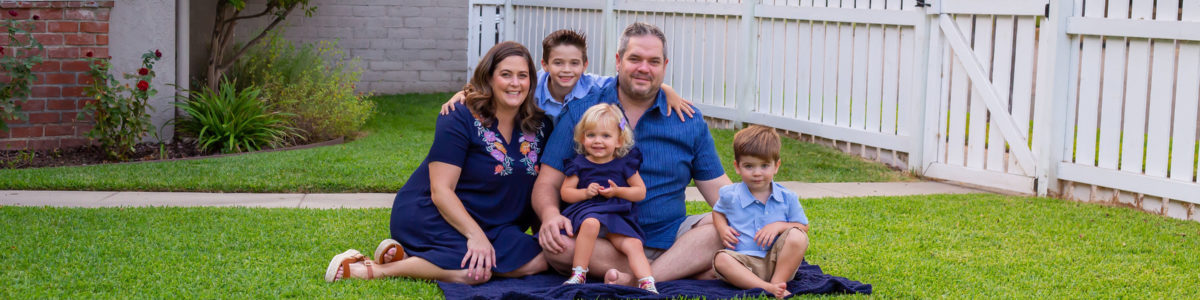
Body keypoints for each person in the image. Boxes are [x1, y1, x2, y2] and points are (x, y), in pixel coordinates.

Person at [324, 41, 550, 284]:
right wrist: (476, 237)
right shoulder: (458, 116)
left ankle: (417, 258)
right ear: (489, 78)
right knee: (473, 274)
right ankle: (375, 270)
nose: (515, 83)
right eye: (506, 75)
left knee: (541, 260)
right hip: (432, 214)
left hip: (497, 225)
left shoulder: (540, 126)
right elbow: (441, 190)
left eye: (522, 76)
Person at [532, 22, 733, 286]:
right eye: (635, 59)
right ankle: (673, 271)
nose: (643, 68)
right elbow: (547, 182)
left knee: (721, 228)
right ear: (618, 61)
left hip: (670, 237)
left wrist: (764, 214)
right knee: (559, 244)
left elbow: (719, 190)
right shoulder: (583, 110)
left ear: (665, 65)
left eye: (654, 61)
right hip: (601, 239)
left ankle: (639, 278)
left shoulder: (688, 120)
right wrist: (549, 216)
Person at [441, 29, 696, 122]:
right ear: (544, 64)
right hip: (534, 142)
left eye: (574, 63)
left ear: (585, 65)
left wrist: (667, 90)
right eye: (558, 63)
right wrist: (463, 94)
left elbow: (631, 80)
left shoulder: (592, 85)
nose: (566, 70)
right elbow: (501, 85)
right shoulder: (534, 83)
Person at [558, 103, 656, 293]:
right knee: (591, 223)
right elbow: (566, 193)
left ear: (619, 141)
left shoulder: (624, 163)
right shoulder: (579, 164)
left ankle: (647, 282)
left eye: (606, 136)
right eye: (591, 135)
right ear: (581, 138)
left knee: (633, 244)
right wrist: (585, 193)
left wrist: (618, 191)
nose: (598, 141)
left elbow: (640, 192)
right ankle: (578, 273)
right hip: (588, 212)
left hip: (616, 216)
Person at [712, 125, 810, 299]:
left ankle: (777, 282)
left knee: (797, 236)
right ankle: (767, 287)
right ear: (737, 167)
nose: (757, 173)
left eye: (764, 166)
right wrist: (722, 229)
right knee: (721, 259)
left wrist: (778, 226)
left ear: (776, 166)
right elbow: (718, 212)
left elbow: (803, 226)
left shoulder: (788, 197)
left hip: (778, 262)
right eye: (749, 166)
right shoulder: (730, 195)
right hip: (744, 261)